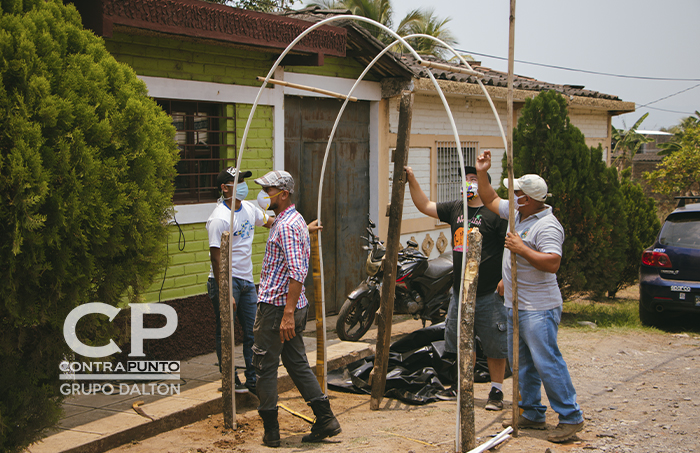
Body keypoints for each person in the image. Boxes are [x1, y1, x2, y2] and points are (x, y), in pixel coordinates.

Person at [474, 150, 585, 443]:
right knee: (522, 363)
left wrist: (521, 249)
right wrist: (482, 172)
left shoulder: (546, 225)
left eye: (520, 193)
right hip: (516, 304)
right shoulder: (518, 214)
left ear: (533, 198)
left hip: (539, 307)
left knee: (546, 361)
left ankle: (570, 416)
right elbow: (489, 199)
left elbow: (552, 263)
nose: (514, 196)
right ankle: (532, 412)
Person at [405, 165, 509, 411]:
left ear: (484, 184)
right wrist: (411, 178)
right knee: (462, 341)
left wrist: (506, 279)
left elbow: (509, 248)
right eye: (466, 180)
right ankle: (463, 385)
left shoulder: (496, 213)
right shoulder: (455, 209)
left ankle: (497, 390)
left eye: (474, 179)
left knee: (495, 343)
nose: (468, 183)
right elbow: (424, 205)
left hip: (489, 292)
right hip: (460, 292)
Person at [252, 170, 341, 447]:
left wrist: (288, 313)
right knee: (296, 362)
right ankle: (326, 419)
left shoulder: (288, 225)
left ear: (284, 194)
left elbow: (297, 271)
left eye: (269, 191)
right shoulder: (292, 220)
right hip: (287, 306)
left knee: (264, 366)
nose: (265, 195)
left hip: (278, 308)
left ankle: (271, 430)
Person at [206, 167, 270, 394]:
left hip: (247, 281)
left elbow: (270, 222)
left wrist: (299, 224)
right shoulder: (219, 218)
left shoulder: (250, 209)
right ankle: (230, 381)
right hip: (225, 281)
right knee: (226, 332)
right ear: (224, 188)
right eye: (237, 182)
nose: (242, 185)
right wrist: (225, 291)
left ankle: (253, 381)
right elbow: (216, 258)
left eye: (243, 180)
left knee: (254, 331)